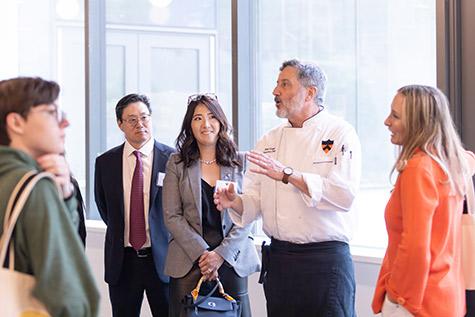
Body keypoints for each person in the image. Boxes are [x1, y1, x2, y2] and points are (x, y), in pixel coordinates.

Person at [214, 59, 361, 316]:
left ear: (310, 93)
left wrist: (287, 174)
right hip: (281, 261)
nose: (275, 92)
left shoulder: (340, 133)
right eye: (276, 84)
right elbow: (254, 201)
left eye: (285, 84)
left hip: (325, 262)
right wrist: (234, 201)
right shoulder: (268, 140)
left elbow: (343, 196)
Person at [371, 85, 475, 317]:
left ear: (419, 124)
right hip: (447, 297)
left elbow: (415, 245)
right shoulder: (450, 163)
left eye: (396, 116)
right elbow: (470, 158)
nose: (387, 121)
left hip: (416, 302)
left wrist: (397, 298)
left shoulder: (419, 168)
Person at [0, 77, 99, 316]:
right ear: (16, 122)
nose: (64, 122)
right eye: (51, 112)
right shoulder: (34, 187)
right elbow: (70, 297)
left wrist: (64, 199)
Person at [162, 94, 261, 317]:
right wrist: (204, 254)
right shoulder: (176, 163)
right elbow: (171, 215)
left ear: (221, 121)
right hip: (189, 259)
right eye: (197, 118)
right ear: (190, 125)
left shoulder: (241, 161)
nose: (205, 124)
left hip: (231, 258)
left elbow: (249, 213)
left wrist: (221, 254)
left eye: (211, 117)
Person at [94, 93, 174, 317]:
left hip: (163, 259)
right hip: (123, 261)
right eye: (131, 119)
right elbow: (105, 208)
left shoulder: (173, 159)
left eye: (144, 117)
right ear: (120, 124)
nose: (140, 124)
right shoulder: (105, 163)